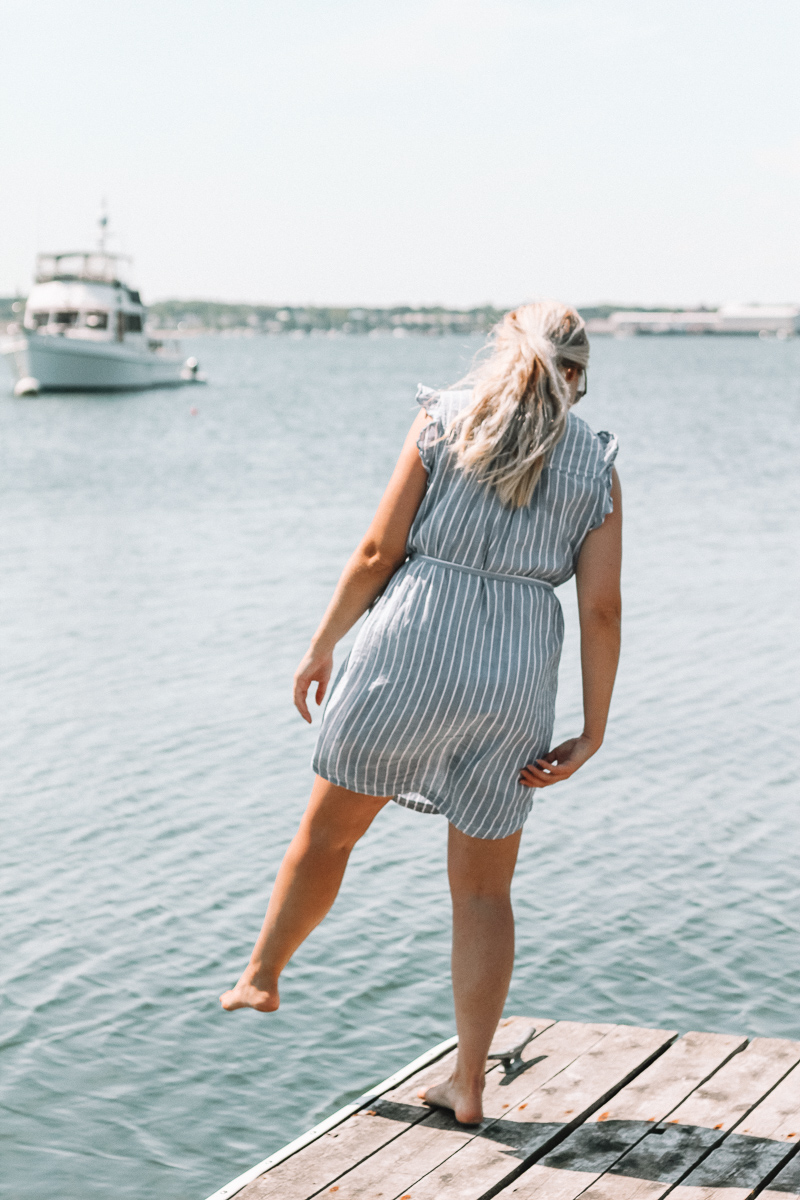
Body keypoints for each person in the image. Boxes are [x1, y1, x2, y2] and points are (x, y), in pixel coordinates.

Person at [220, 302, 622, 1126]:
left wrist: (321, 643)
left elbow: (378, 552)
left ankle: (262, 973)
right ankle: (469, 1082)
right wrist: (595, 727)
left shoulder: (444, 418)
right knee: (483, 894)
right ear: (578, 376)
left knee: (328, 833)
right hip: (516, 669)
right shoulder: (598, 466)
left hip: (412, 643)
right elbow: (602, 610)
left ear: (504, 355)